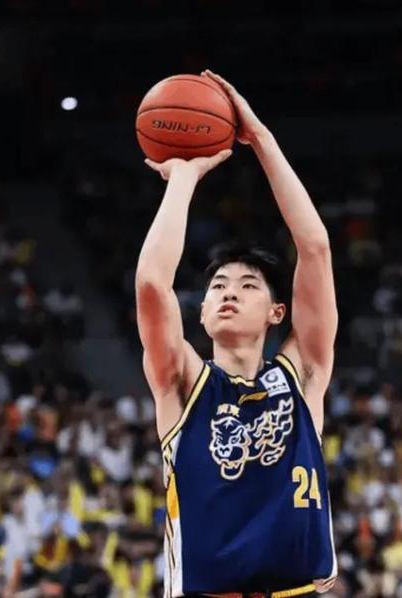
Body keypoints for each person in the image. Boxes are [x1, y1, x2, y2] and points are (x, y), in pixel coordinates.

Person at [136, 69, 338, 597]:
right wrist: (183, 177)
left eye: (248, 286)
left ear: (276, 312)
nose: (229, 292)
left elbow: (315, 248)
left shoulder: (302, 377)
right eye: (218, 286)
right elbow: (152, 283)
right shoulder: (183, 383)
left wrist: (261, 140)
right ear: (202, 313)